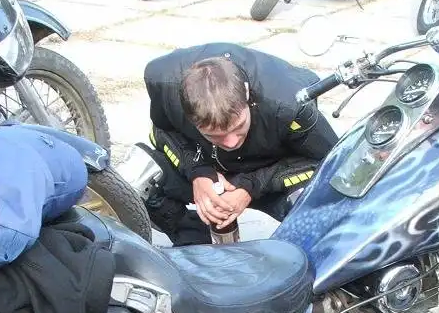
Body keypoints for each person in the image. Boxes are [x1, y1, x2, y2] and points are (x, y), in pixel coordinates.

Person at [138, 42, 338, 246]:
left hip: (271, 171)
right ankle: (195, 240)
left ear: (246, 92)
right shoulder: (163, 83)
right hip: (207, 164)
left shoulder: (289, 105)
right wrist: (197, 171)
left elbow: (333, 160)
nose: (231, 142)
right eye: (214, 135)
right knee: (137, 175)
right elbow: (160, 132)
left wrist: (252, 185)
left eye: (239, 126)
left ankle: (300, 255)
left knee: (319, 203)